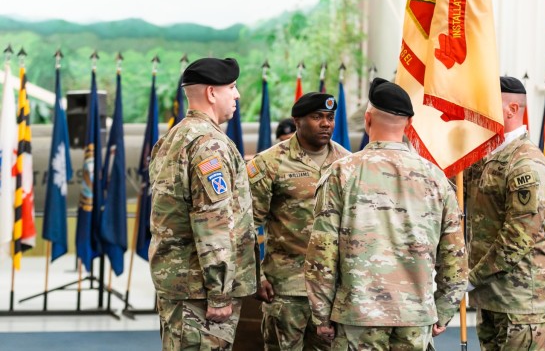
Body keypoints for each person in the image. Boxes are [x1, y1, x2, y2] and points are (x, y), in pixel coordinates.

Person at [305, 78, 468, 350]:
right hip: (416, 315)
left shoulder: (341, 173)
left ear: (367, 120)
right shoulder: (435, 178)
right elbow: (454, 253)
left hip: (358, 316)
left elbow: (323, 251)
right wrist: (445, 309)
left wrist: (322, 315)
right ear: (409, 125)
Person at [149, 57, 257, 350]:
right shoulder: (209, 144)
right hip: (200, 291)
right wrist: (220, 292)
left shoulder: (173, 137)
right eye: (231, 87)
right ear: (212, 93)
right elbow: (213, 223)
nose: (236, 95)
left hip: (182, 285)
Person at [248, 92, 350, 350]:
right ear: (298, 121)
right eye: (317, 117)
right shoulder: (270, 163)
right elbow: (247, 224)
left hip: (334, 291)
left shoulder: (347, 163)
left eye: (330, 117)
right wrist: (256, 275)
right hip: (287, 289)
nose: (326, 123)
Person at [465, 76, 545, 350]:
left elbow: (517, 237)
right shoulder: (486, 157)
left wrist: (470, 278)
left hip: (520, 303)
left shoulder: (525, 163)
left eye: (486, 106)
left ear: (512, 110)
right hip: (491, 297)